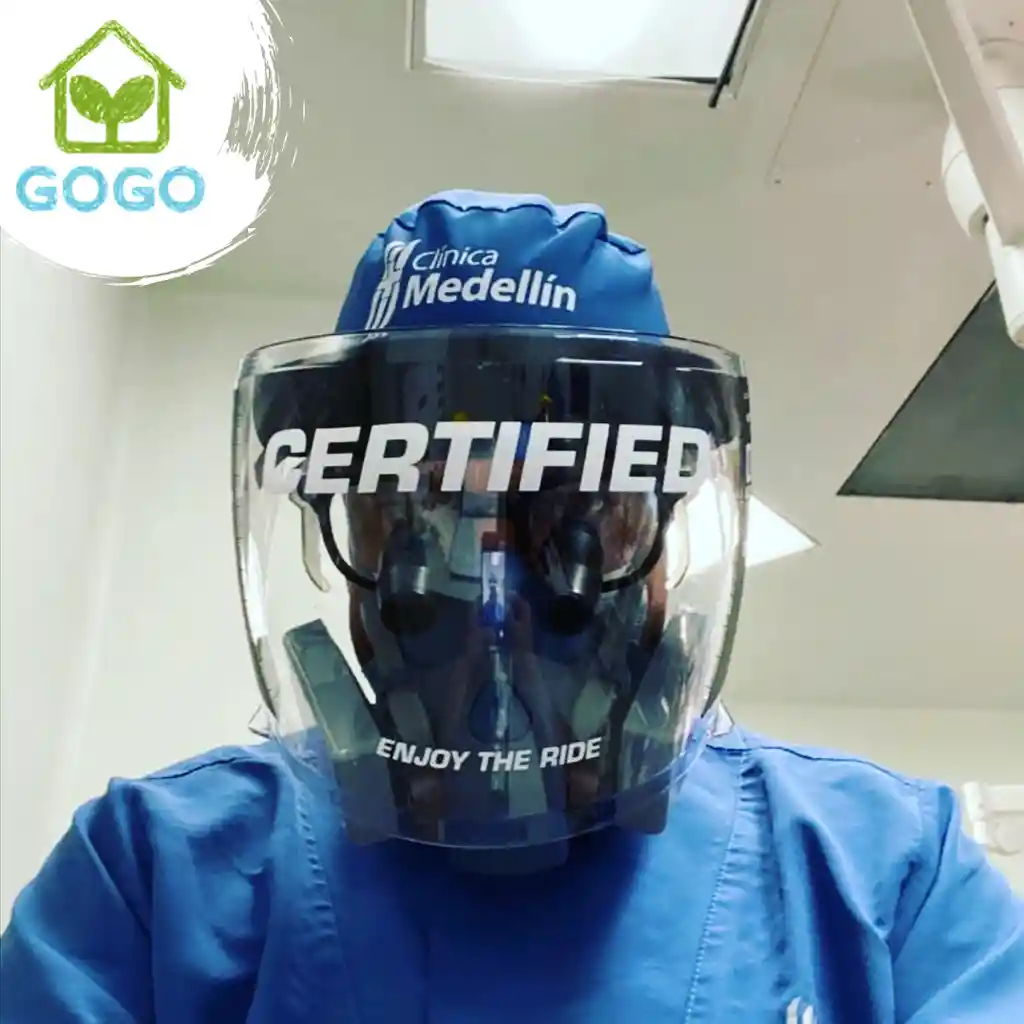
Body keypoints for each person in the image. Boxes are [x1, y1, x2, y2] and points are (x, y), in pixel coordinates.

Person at [1, 190, 1021, 1023]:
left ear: (665, 530)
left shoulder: (888, 877)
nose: (490, 596)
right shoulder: (151, 878)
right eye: (414, 514)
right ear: (340, 531)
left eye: (573, 514)